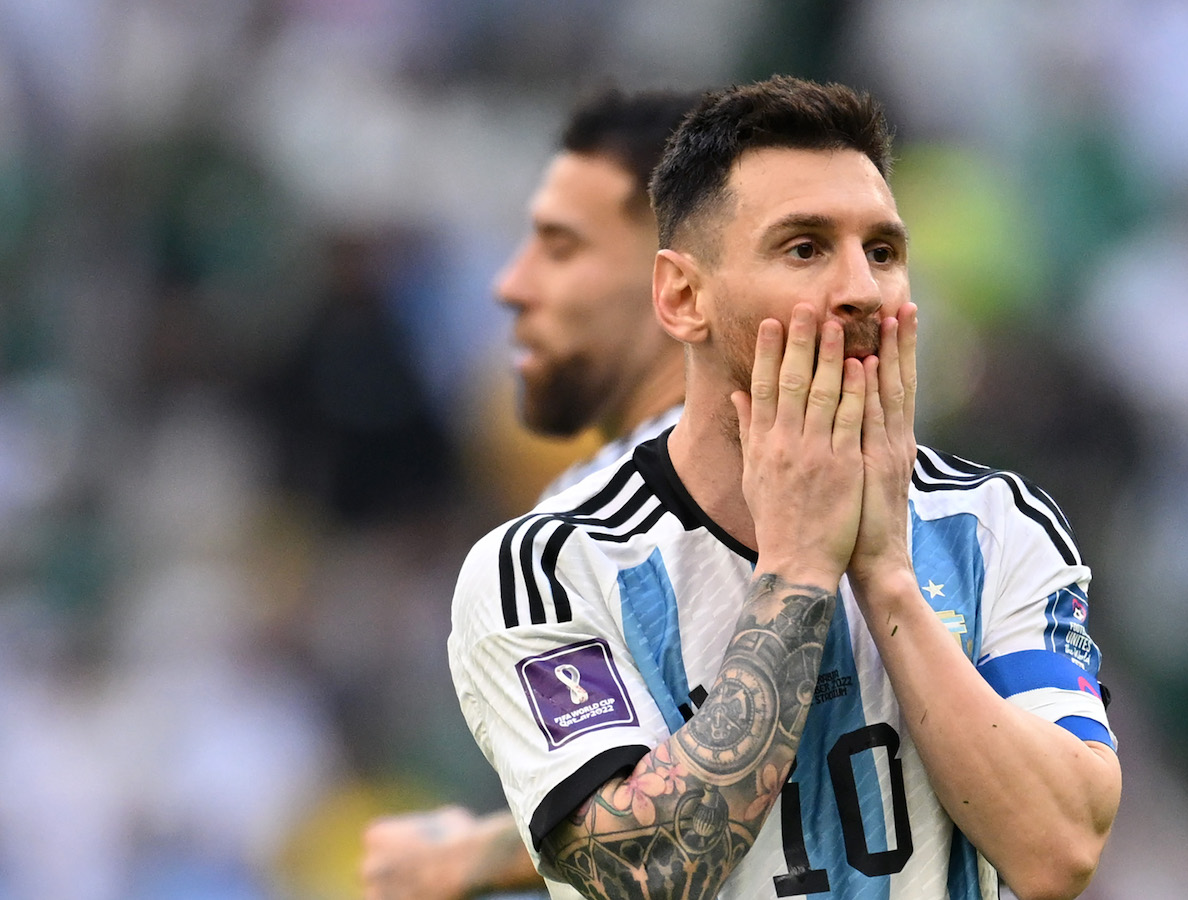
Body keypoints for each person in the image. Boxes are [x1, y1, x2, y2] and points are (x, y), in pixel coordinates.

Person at [448, 76, 1122, 900]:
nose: (860, 290)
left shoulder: (993, 525)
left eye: (882, 252)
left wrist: (885, 573)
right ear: (682, 296)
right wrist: (800, 566)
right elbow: (640, 872)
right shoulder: (550, 569)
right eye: (804, 248)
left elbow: (1058, 853)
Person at [361, 87, 702, 900]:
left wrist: (465, 859)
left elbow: (658, 841)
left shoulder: (670, 501)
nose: (510, 285)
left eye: (559, 246)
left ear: (674, 271)